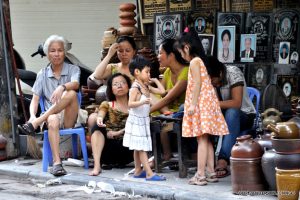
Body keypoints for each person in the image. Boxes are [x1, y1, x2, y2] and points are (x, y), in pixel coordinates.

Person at [18, 35, 81, 176]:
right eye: (53, 51)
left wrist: (62, 87)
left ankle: (36, 124)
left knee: (70, 93)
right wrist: (33, 115)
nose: (57, 54)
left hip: (69, 116)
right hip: (52, 117)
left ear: (65, 52)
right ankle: (57, 163)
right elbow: (35, 100)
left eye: (60, 50)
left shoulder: (73, 69)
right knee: (52, 119)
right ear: (47, 54)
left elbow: (76, 85)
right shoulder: (42, 74)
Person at [176, 30, 229, 186]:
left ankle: (200, 175)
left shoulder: (194, 62)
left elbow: (197, 84)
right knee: (207, 139)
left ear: (186, 47)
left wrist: (192, 104)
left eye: (181, 52)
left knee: (201, 139)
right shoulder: (201, 61)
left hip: (201, 103)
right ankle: (211, 172)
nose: (181, 56)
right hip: (208, 102)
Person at [209, 57, 256, 178]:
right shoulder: (211, 80)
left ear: (219, 73)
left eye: (212, 79)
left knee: (231, 112)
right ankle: (203, 157)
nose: (210, 81)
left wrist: (212, 104)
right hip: (225, 114)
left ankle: (223, 159)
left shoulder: (233, 72)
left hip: (245, 115)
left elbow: (236, 103)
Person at [123, 55, 166, 181]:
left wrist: (155, 80)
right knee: (141, 147)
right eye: (147, 72)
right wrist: (142, 102)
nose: (148, 74)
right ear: (137, 72)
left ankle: (137, 170)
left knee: (138, 146)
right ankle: (148, 173)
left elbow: (162, 91)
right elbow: (130, 104)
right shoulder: (135, 88)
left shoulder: (145, 86)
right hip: (136, 121)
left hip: (143, 120)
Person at [88, 73, 133, 176]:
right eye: (115, 84)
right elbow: (101, 113)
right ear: (111, 89)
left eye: (123, 83)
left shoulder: (134, 105)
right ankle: (97, 165)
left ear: (128, 86)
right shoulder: (107, 104)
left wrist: (118, 132)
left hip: (128, 148)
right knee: (97, 127)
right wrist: (99, 119)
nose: (119, 86)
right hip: (108, 149)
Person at [151, 38, 189, 161]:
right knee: (150, 99)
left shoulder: (186, 72)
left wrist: (146, 111)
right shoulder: (168, 72)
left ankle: (166, 154)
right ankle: (163, 155)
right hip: (168, 112)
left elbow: (168, 98)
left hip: (183, 113)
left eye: (160, 53)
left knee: (159, 116)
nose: (158, 56)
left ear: (171, 55)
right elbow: (161, 95)